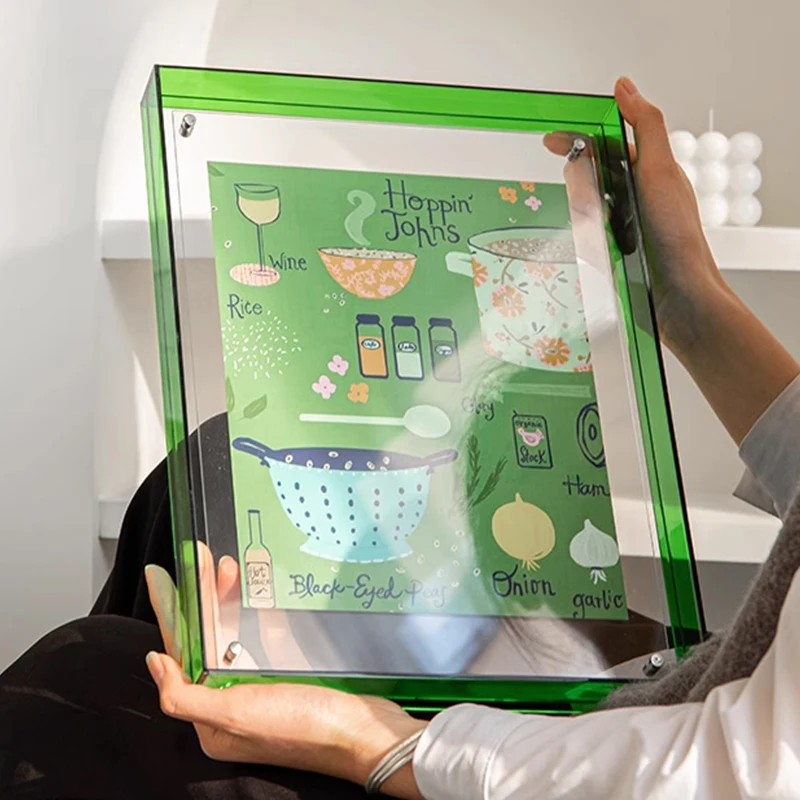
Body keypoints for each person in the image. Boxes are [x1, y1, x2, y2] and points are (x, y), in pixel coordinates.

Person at [2, 75, 799, 799]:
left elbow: (733, 773)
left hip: (632, 765)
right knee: (217, 469)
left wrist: (374, 741)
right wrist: (687, 297)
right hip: (698, 693)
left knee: (93, 674)